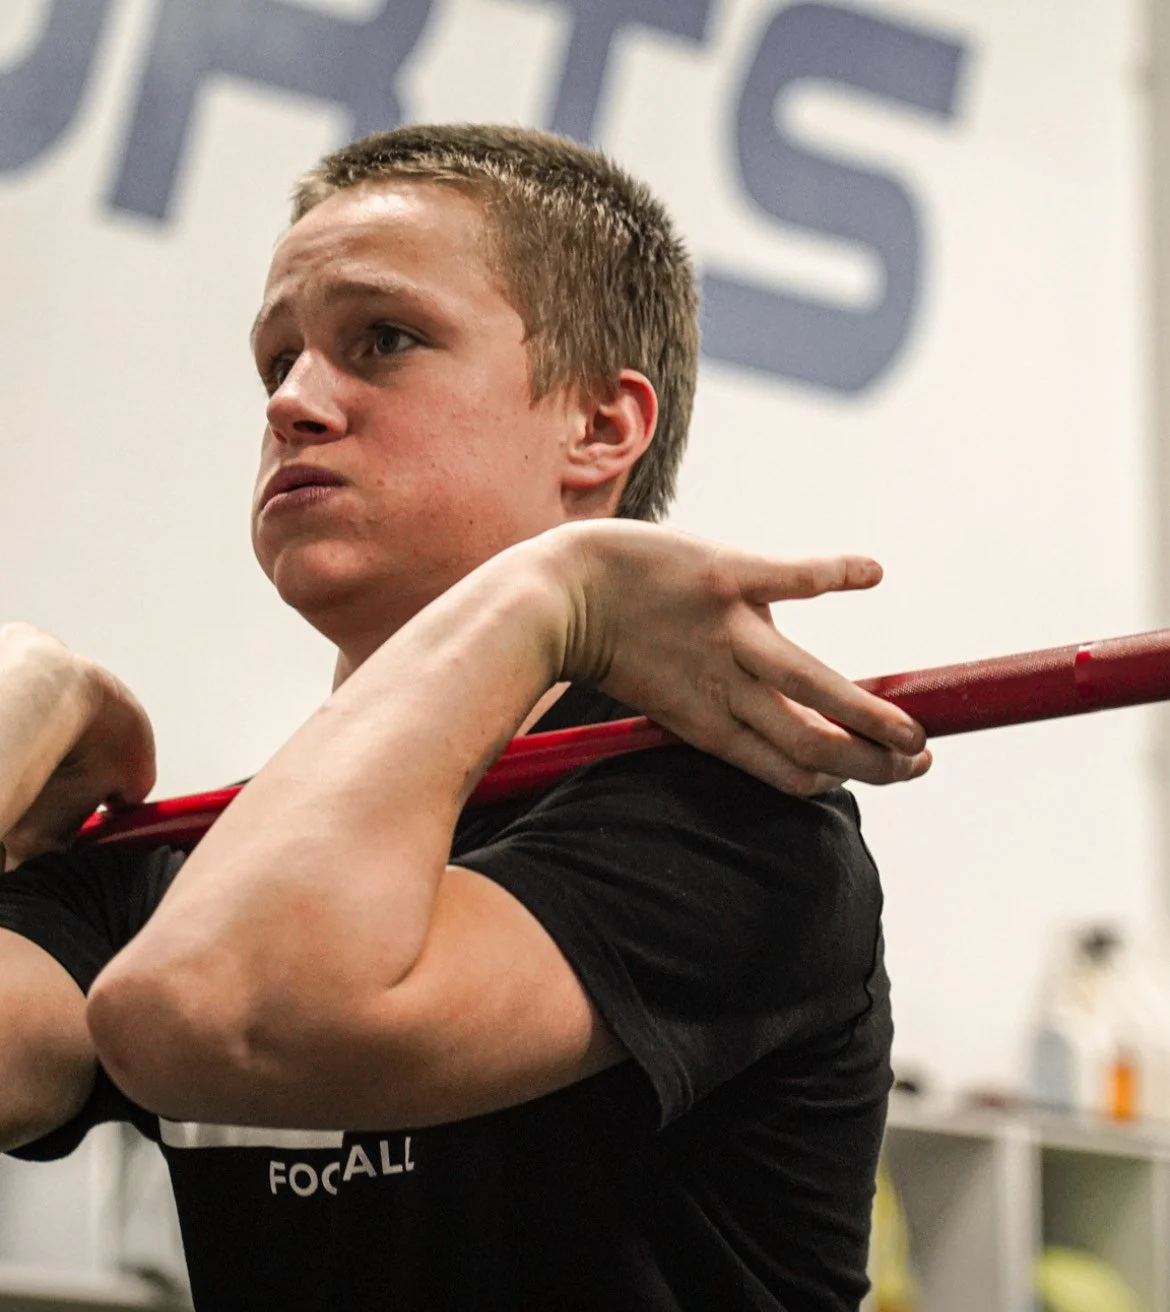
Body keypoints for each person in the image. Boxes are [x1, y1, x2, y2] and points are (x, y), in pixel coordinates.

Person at [0, 125, 931, 1310]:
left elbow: (214, 1011)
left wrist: (547, 595)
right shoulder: (185, 863)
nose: (292, 401)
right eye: (276, 360)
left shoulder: (730, 821)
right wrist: (18, 694)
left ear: (600, 430)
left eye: (381, 340)